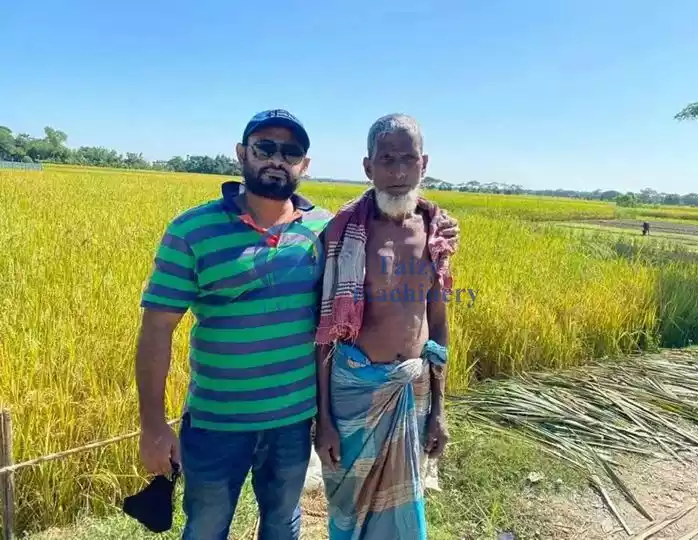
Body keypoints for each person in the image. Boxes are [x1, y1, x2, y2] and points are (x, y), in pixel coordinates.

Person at [134, 109, 460, 540]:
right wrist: (154, 425)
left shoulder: (326, 228)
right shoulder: (193, 230)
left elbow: (414, 303)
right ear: (241, 154)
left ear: (304, 165)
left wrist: (435, 220)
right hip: (216, 421)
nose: (277, 159)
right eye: (264, 148)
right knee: (207, 526)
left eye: (290, 152)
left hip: (291, 421)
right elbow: (157, 328)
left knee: (283, 523)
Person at [314, 113, 455, 540]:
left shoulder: (436, 233)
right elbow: (323, 332)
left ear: (423, 163)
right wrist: (324, 420)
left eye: (407, 159)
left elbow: (439, 326)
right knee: (349, 507)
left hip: (412, 390)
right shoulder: (341, 232)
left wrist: (439, 410)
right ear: (367, 166)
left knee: (401, 513)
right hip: (352, 390)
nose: (397, 172)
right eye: (386, 159)